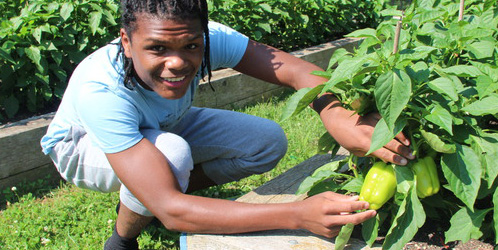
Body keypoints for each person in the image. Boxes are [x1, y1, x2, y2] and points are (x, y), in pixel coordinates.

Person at [40, 0, 415, 249]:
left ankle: (154, 192)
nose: (177, 62)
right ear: (126, 41)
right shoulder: (100, 90)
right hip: (81, 145)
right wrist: (298, 214)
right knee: (171, 158)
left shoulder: (202, 36)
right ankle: (121, 240)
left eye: (191, 47)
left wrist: (336, 114)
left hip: (163, 123)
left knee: (265, 140)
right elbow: (173, 211)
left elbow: (298, 70)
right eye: (157, 49)